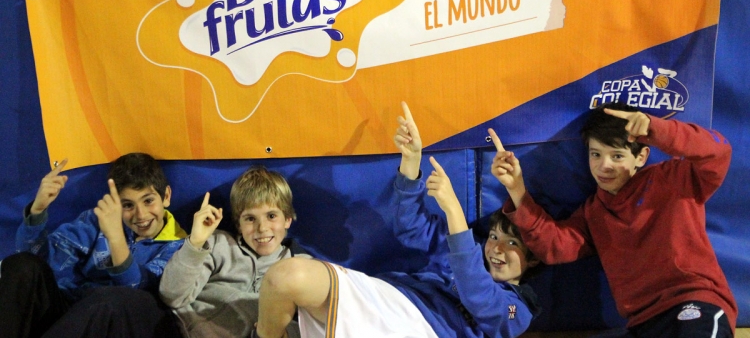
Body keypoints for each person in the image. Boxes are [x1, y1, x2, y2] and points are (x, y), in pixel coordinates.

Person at [252, 102, 541, 338]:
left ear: (533, 259)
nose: (497, 248)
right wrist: (411, 162)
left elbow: (479, 294)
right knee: (283, 277)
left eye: (512, 243)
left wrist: (453, 210)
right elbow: (410, 224)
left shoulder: (518, 308)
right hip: (388, 299)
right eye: (494, 237)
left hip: (426, 331)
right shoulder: (462, 247)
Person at [493, 101, 737, 337]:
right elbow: (554, 245)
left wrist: (655, 128)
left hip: (693, 304)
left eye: (617, 156)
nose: (604, 166)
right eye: (596, 154)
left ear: (641, 157)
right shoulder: (594, 212)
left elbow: (718, 152)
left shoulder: (675, 178)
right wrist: (517, 189)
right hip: (642, 325)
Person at [0, 152, 187, 338]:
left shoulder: (179, 248)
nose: (141, 214)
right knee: (22, 265)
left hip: (125, 321)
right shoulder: (97, 221)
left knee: (112, 298)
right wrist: (37, 210)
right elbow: (37, 261)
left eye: (148, 201)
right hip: (74, 314)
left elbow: (135, 289)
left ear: (166, 196)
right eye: (128, 205)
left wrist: (115, 238)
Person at [159, 166, 310, 338]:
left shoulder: (301, 268)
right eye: (250, 219)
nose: (262, 228)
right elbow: (172, 296)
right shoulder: (217, 243)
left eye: (271, 216)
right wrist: (195, 243)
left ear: (287, 219)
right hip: (178, 327)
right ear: (239, 225)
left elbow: (314, 326)